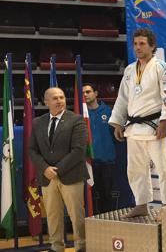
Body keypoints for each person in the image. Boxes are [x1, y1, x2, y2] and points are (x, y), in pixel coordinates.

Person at [109, 28, 166, 218]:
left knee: (163, 168)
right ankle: (141, 203)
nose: (137, 48)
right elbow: (123, 98)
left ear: (152, 46)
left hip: (154, 126)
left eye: (142, 44)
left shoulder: (164, 67)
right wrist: (117, 122)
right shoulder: (130, 69)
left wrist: (165, 121)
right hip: (133, 128)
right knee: (135, 169)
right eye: (135, 44)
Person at [28, 87, 87, 252]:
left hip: (71, 175)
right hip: (47, 177)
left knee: (76, 215)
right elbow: (32, 150)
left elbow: (79, 150)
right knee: (53, 216)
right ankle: (56, 247)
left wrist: (57, 170)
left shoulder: (76, 120)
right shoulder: (38, 122)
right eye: (55, 98)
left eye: (61, 97)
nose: (60, 100)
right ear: (46, 101)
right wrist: (45, 168)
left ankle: (81, 246)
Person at [83, 83, 117, 213]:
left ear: (96, 93)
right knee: (90, 196)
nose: (85, 95)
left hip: (106, 161)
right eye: (83, 93)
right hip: (89, 162)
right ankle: (93, 223)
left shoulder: (108, 112)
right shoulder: (82, 114)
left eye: (88, 92)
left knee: (107, 195)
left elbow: (116, 133)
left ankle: (107, 223)